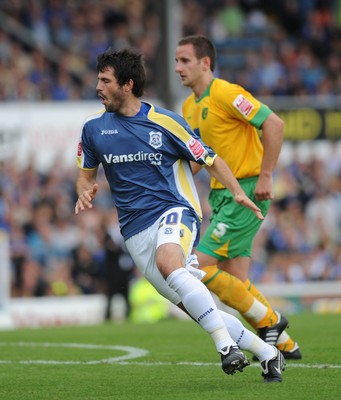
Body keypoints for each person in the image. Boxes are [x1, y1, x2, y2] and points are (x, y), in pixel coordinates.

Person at [75, 47, 285, 382]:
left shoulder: (166, 121)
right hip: (135, 233)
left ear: (127, 85)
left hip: (175, 211)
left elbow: (210, 158)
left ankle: (225, 349)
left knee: (170, 263)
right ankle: (268, 353)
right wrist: (84, 189)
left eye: (105, 80)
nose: (97, 86)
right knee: (201, 310)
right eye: (98, 79)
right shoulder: (93, 130)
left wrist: (237, 190)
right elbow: (85, 175)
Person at [175, 34, 301, 360]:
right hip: (221, 196)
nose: (178, 67)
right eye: (176, 61)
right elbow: (201, 159)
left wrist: (267, 174)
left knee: (199, 266)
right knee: (235, 280)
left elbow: (274, 123)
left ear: (205, 63)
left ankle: (271, 322)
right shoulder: (189, 107)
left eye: (185, 60)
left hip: (246, 191)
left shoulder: (226, 93)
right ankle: (286, 343)